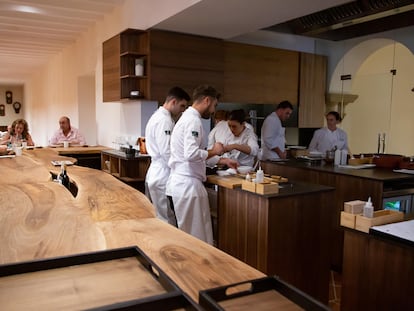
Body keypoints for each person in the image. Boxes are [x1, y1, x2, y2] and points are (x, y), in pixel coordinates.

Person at [166, 85, 237, 244]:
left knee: (193, 234)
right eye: (215, 105)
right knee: (195, 238)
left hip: (182, 183)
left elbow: (196, 154)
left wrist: (222, 160)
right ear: (207, 100)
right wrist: (215, 150)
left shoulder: (187, 118)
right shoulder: (193, 121)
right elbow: (191, 154)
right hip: (187, 185)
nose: (213, 111)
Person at [145, 86, 190, 225]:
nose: (183, 110)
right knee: (166, 218)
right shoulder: (164, 120)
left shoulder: (157, 116)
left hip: (156, 172)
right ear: (173, 102)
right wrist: (181, 168)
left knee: (160, 216)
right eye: (182, 106)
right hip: (162, 174)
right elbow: (166, 152)